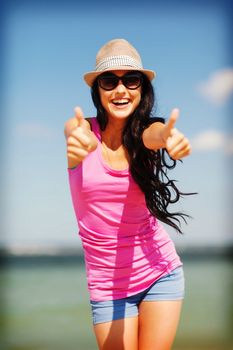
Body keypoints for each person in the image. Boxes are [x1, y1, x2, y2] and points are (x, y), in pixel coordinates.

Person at [64, 38, 192, 350]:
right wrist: (79, 142)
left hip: (160, 273)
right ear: (98, 91)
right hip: (107, 285)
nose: (120, 90)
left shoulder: (146, 134)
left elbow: (155, 134)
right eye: (110, 81)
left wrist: (168, 136)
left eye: (130, 80)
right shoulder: (81, 130)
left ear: (141, 89)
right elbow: (78, 135)